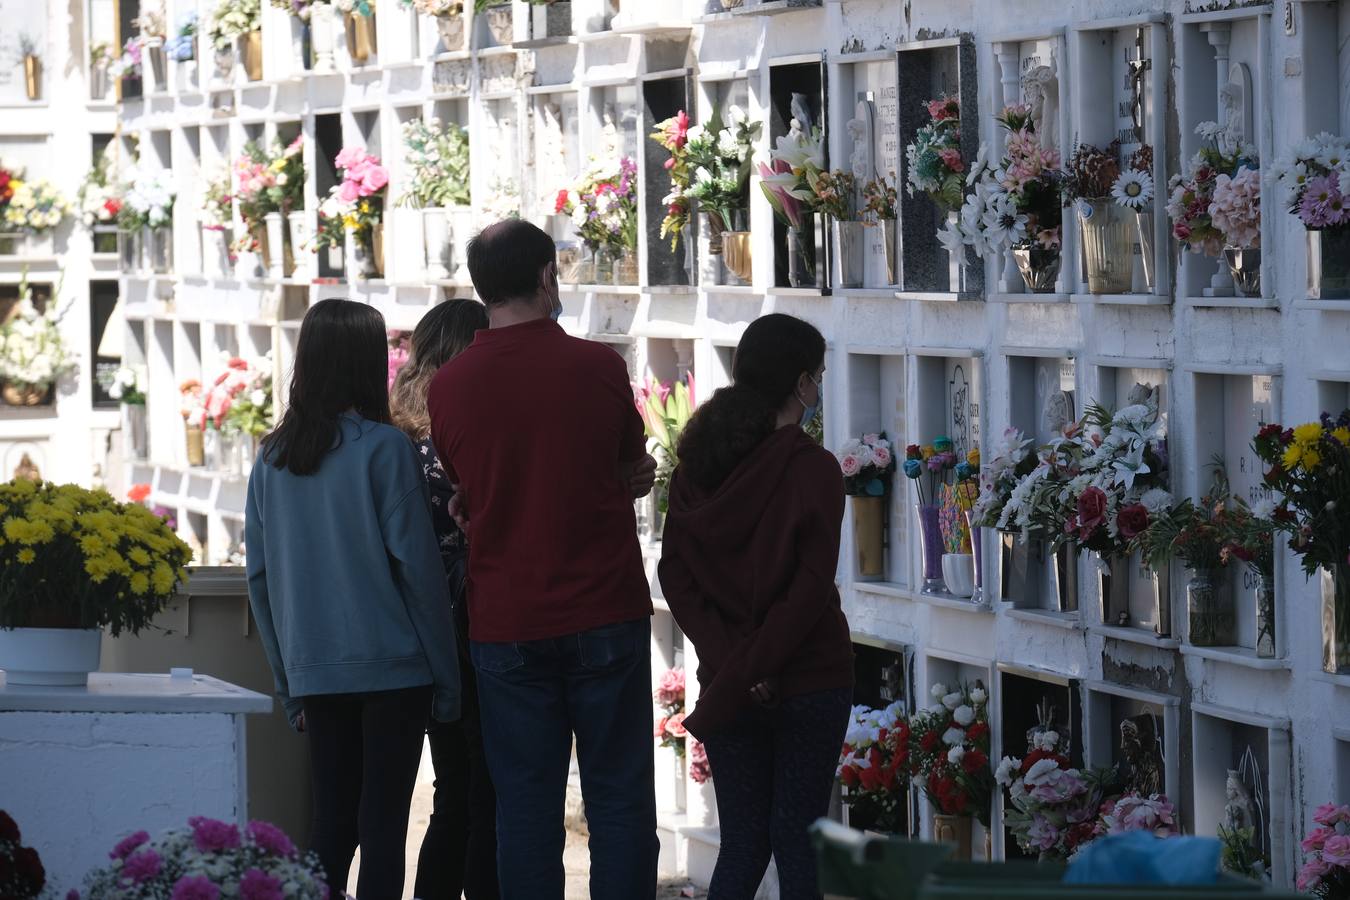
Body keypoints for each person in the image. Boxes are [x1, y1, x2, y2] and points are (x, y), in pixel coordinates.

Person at [428, 219, 659, 900]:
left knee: (524, 811)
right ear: (545, 276)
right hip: (604, 609)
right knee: (618, 801)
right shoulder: (598, 366)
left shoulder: (450, 387)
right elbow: (626, 458)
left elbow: (468, 482)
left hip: (506, 619)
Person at [245, 298, 461, 900]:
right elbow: (419, 575)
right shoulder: (385, 448)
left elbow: (259, 581)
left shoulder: (272, 456)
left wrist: (290, 684)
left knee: (330, 825)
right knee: (384, 826)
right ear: (370, 364)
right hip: (395, 671)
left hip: (316, 669)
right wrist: (447, 682)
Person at [658, 313, 854, 900]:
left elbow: (677, 576)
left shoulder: (697, 468)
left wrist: (736, 666)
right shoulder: (813, 469)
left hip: (729, 683)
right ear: (799, 384)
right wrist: (761, 666)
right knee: (799, 841)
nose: (818, 389)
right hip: (809, 676)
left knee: (742, 842)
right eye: (816, 376)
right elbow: (809, 590)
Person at [389, 298, 500, 900]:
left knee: (454, 790)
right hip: (481, 624)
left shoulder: (399, 438)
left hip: (425, 633)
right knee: (485, 791)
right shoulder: (460, 436)